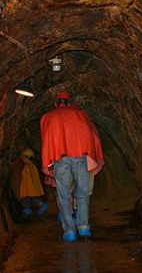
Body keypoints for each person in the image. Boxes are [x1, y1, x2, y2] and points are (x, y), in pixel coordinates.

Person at [40, 91, 104, 241]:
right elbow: (90, 136)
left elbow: (47, 141)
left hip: (60, 160)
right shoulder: (80, 115)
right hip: (80, 158)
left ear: (56, 102)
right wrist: (92, 158)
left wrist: (45, 163)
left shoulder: (48, 117)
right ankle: (83, 228)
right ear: (69, 102)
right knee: (82, 193)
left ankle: (69, 231)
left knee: (64, 195)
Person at [12, 148, 48, 218]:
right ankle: (28, 213)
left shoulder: (30, 167)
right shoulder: (28, 167)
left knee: (35, 199)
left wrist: (32, 187)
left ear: (29, 158)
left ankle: (41, 207)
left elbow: (32, 178)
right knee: (27, 200)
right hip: (28, 188)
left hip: (31, 188)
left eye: (24, 158)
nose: (23, 159)